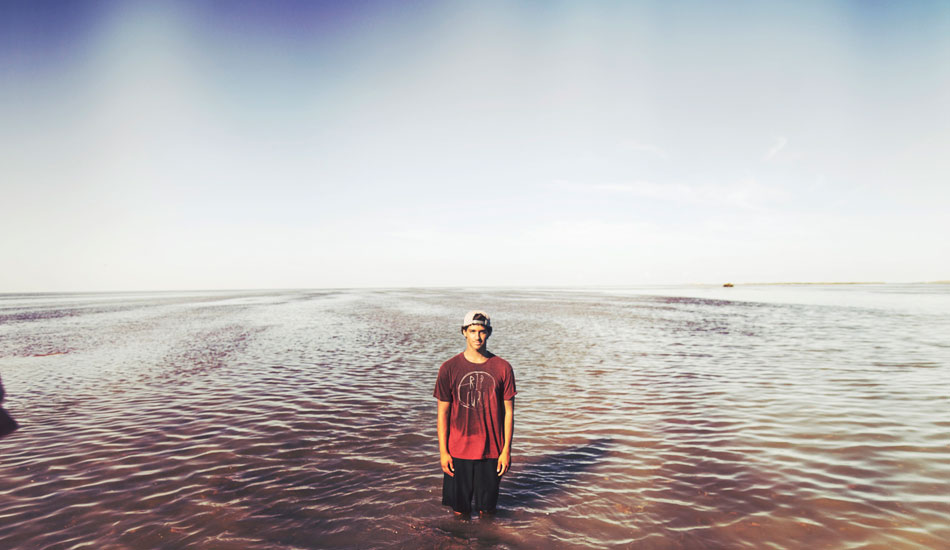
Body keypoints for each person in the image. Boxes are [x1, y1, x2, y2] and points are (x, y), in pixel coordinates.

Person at [434, 310, 516, 515]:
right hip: (457, 451)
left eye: (482, 331)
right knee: (459, 513)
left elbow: (509, 413)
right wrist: (443, 452)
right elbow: (442, 414)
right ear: (464, 332)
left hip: (491, 452)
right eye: (472, 331)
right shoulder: (448, 368)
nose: (477, 336)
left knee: (487, 512)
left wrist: (506, 451)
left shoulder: (503, 368)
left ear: (489, 333)